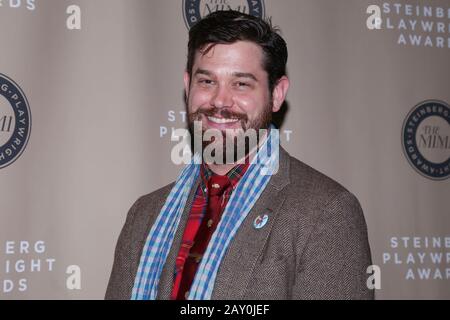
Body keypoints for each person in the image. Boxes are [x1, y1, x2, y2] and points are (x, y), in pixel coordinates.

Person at [105, 10, 374, 300]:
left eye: (241, 83)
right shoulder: (145, 215)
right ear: (187, 86)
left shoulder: (325, 212)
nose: (220, 101)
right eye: (207, 81)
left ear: (277, 94)